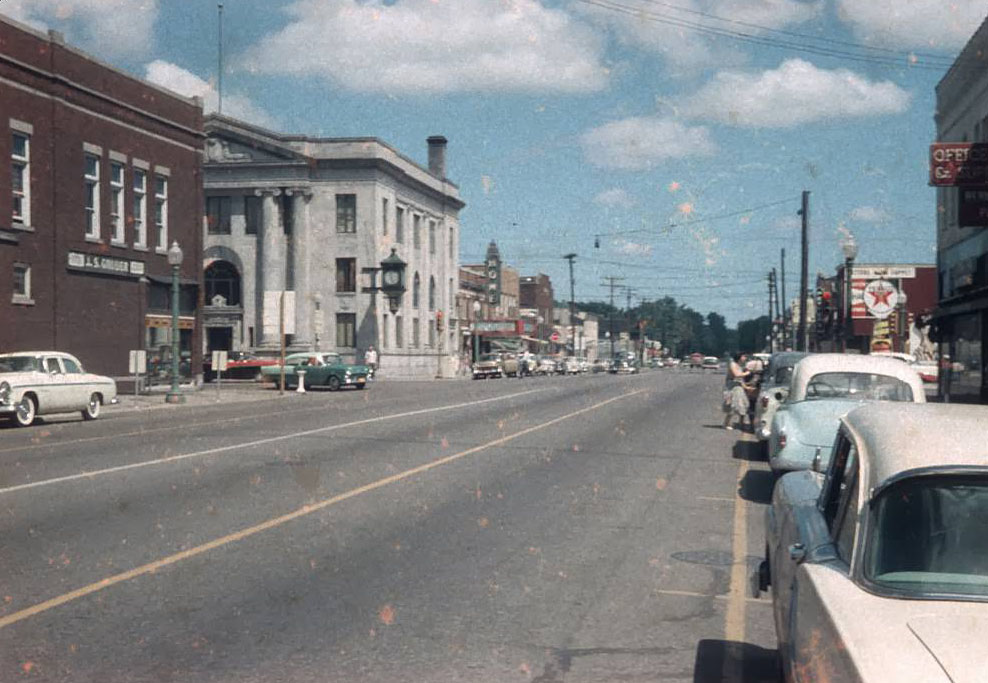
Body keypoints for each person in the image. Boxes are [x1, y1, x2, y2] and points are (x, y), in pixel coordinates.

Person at [722, 352, 752, 431]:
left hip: (738, 387)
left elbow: (740, 380)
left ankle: (741, 423)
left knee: (744, 404)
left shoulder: (740, 366)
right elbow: (736, 375)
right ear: (739, 357)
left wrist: (746, 387)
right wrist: (747, 373)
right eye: (744, 356)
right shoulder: (733, 364)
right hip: (732, 387)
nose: (745, 358)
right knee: (732, 405)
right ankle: (726, 423)